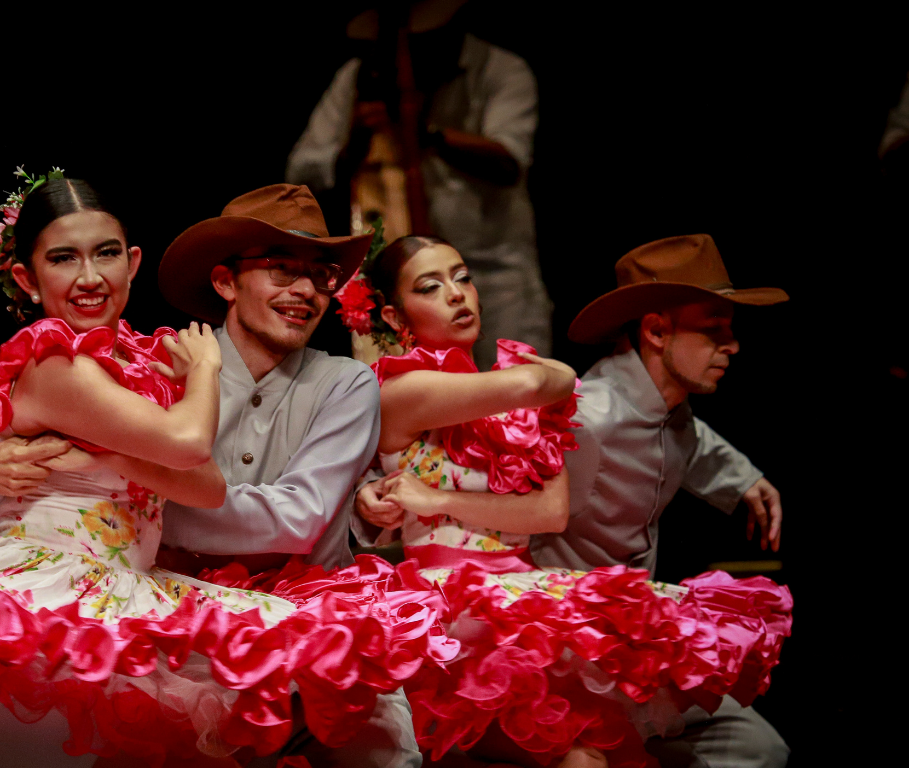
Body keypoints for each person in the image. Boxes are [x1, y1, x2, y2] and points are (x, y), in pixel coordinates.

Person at [0, 176, 445, 767]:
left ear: (132, 262)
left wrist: (105, 457)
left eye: (104, 255)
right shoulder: (108, 357)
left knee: (359, 699)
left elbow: (227, 489)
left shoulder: (168, 361)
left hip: (165, 593)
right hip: (59, 593)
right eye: (65, 258)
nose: (90, 276)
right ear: (24, 275)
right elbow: (177, 448)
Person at [0, 183, 427, 768]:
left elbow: (297, 520)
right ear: (225, 282)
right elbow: (39, 412)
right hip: (173, 628)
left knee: (381, 746)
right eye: (281, 269)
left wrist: (119, 475)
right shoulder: (164, 363)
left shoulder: (344, 383)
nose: (305, 290)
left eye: (320, 274)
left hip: (299, 624)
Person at [347, 235, 792, 768]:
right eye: (431, 286)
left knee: (597, 752)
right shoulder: (409, 390)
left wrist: (434, 496)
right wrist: (378, 497)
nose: (458, 295)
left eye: (463, 277)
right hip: (451, 610)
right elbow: (546, 380)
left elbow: (548, 509)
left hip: (524, 600)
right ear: (396, 317)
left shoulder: (518, 399)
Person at [527, 234, 792, 768]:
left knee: (760, 749)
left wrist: (745, 478)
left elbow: (685, 440)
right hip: (569, 658)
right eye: (714, 329)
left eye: (730, 330)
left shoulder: (674, 411)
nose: (733, 345)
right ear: (655, 331)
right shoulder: (585, 419)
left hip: (640, 644)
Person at [285, 0, 549, 368]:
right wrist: (353, 145)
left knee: (515, 398)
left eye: (420, 40)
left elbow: (509, 162)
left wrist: (424, 132)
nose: (405, 51)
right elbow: (300, 171)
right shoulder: (360, 78)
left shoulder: (500, 69)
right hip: (411, 287)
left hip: (495, 274)